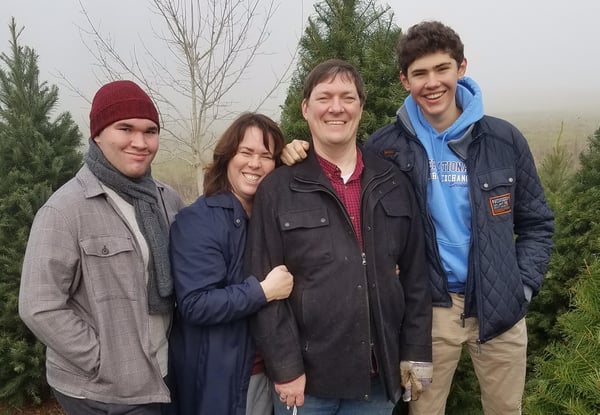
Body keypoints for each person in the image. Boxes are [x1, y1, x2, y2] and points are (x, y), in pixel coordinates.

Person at [282, 21, 555, 415]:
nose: (432, 83)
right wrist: (296, 152)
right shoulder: (386, 146)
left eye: (442, 69)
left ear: (462, 67)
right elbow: (339, 171)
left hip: (500, 308)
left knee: (505, 410)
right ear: (404, 80)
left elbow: (537, 224)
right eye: (419, 73)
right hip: (429, 310)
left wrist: (521, 289)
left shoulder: (503, 140)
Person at [245, 59, 432, 415]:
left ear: (361, 106)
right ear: (306, 108)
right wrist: (285, 368)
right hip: (306, 384)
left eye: (347, 97)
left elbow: (416, 280)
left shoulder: (393, 183)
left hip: (377, 381)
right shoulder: (278, 189)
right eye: (324, 97)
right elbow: (263, 287)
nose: (336, 107)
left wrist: (417, 354)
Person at [19, 80, 184, 414]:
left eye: (150, 131)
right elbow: (40, 306)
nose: (140, 142)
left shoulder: (166, 200)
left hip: (164, 372)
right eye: (125, 128)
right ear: (97, 134)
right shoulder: (65, 209)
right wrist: (104, 360)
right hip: (101, 391)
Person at [167, 112, 294, 415]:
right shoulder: (198, 220)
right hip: (225, 378)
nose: (255, 163)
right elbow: (196, 303)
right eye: (246, 152)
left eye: (266, 156)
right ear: (227, 158)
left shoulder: (274, 217)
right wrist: (262, 291)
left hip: (275, 371)